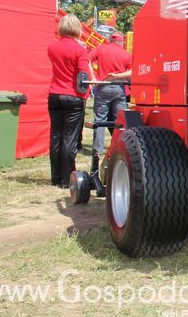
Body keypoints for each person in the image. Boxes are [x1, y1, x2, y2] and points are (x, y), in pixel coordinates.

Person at [48, 14, 90, 187]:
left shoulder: (52, 47)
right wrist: (85, 93)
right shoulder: (79, 50)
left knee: (56, 136)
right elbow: (83, 75)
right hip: (73, 95)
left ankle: (55, 177)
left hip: (55, 94)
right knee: (70, 139)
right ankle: (67, 179)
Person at [88, 33, 132, 155]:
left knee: (100, 119)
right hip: (119, 88)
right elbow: (132, 72)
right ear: (122, 42)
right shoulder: (126, 54)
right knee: (121, 120)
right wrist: (118, 76)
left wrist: (93, 78)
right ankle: (122, 148)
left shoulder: (101, 49)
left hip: (103, 87)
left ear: (110, 41)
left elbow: (87, 59)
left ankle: (97, 150)